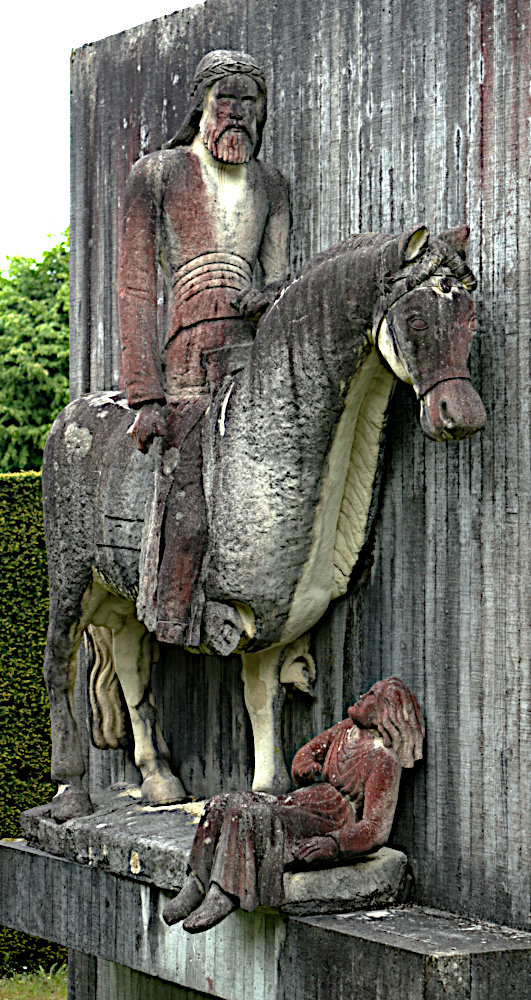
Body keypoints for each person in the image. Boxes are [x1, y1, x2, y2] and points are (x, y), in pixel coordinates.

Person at [118, 50, 290, 651]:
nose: (239, 114)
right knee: (189, 500)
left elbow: (279, 282)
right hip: (188, 360)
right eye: (228, 100)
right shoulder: (157, 174)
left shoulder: (272, 186)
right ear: (202, 106)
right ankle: (173, 616)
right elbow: (136, 289)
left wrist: (266, 297)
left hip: (252, 360)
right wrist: (146, 395)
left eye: (251, 103)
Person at [162, 676, 424, 933]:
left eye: (373, 695)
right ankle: (197, 882)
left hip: (330, 818)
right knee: (221, 804)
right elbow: (306, 752)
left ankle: (226, 892)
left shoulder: (382, 758)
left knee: (246, 816)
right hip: (301, 800)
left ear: (386, 714)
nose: (363, 696)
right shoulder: (345, 730)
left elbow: (376, 827)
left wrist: (334, 844)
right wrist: (304, 766)